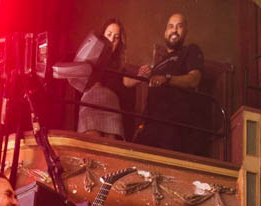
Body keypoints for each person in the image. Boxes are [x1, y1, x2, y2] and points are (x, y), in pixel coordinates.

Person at [132, 14, 208, 155]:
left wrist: (167, 79)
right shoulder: (158, 65)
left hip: (174, 125)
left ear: (185, 31)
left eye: (179, 26)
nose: (174, 30)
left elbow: (194, 79)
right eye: (171, 26)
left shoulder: (190, 50)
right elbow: (130, 84)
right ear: (165, 32)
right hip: (150, 126)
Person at [77, 20, 139, 139]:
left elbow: (126, 81)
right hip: (91, 102)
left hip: (111, 105)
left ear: (119, 42)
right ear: (103, 35)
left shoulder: (120, 60)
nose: (112, 40)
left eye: (116, 37)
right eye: (109, 34)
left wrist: (139, 77)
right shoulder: (91, 53)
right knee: (92, 142)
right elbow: (80, 77)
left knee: (109, 145)